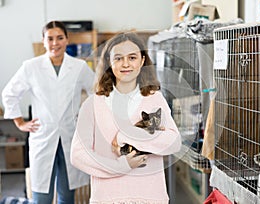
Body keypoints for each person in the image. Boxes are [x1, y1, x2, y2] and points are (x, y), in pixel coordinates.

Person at [70, 32, 182, 203]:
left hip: (149, 197)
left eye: (132, 57)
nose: (126, 64)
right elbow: (78, 155)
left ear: (142, 61)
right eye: (118, 58)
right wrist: (121, 166)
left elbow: (174, 142)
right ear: (109, 62)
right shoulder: (93, 104)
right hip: (108, 198)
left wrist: (127, 135)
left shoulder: (154, 99)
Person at [2, 21, 94, 204]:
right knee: (41, 197)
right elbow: (9, 94)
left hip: (70, 135)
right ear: (43, 41)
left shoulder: (79, 67)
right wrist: (20, 122)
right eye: (50, 38)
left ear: (67, 40)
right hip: (42, 135)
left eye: (60, 38)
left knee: (67, 197)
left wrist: (88, 121)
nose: (55, 43)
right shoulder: (31, 67)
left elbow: (98, 93)